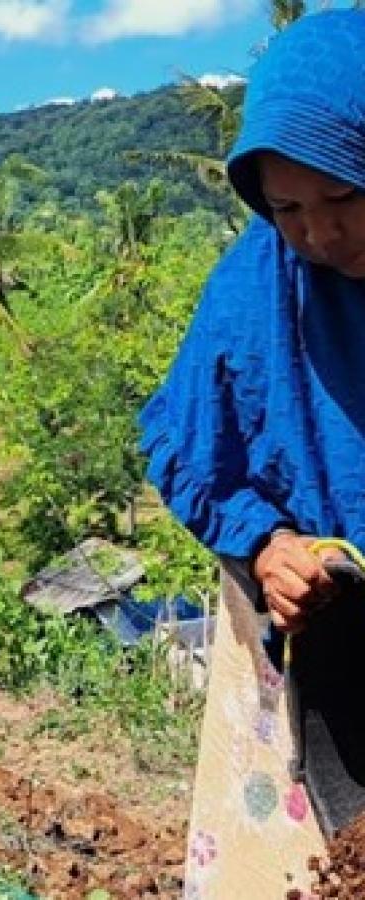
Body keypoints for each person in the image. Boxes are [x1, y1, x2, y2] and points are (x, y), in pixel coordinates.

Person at [141, 11, 365, 889]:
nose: (318, 235)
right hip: (318, 651)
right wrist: (268, 544)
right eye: (286, 210)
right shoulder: (255, 286)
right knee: (312, 870)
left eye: (344, 198)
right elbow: (186, 444)